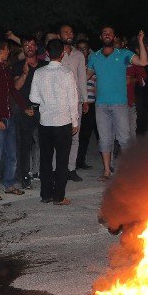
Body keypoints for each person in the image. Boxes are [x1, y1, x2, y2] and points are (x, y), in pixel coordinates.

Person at [86, 26, 148, 181]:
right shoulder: (94, 57)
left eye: (110, 33)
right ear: (101, 37)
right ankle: (107, 171)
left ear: (114, 38)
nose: (107, 35)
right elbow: (85, 77)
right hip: (101, 105)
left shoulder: (124, 54)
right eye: (104, 33)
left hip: (120, 104)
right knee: (105, 139)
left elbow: (143, 61)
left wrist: (140, 41)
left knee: (124, 138)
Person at [29, 39, 79, 204]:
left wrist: (46, 100)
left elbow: (33, 98)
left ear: (48, 53)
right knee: (62, 161)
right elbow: (73, 100)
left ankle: (45, 195)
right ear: (63, 54)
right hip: (63, 122)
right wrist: (75, 121)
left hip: (45, 122)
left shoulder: (39, 72)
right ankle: (59, 196)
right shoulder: (67, 73)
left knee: (45, 160)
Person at [0, 39, 31, 201]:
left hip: (8, 116)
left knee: (11, 155)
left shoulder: (3, 68)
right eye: (7, 49)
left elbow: (13, 91)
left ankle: (9, 185)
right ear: (0, 50)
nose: (8, 52)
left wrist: (24, 107)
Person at [10, 35, 43, 189]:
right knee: (25, 144)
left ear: (36, 47)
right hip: (25, 110)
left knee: (43, 143)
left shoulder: (45, 65)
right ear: (22, 48)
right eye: (26, 45)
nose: (29, 47)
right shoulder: (17, 65)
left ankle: (41, 172)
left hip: (43, 110)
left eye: (32, 44)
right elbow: (16, 88)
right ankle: (25, 176)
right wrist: (24, 73)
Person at [58, 25, 88, 183]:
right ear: (59, 35)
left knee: (75, 135)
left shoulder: (78, 55)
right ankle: (58, 169)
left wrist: (85, 99)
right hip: (59, 101)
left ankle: (71, 168)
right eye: (65, 32)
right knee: (59, 135)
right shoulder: (55, 53)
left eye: (71, 31)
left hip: (75, 100)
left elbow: (82, 77)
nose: (69, 34)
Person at [75, 39, 96, 169]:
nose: (83, 51)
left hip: (91, 102)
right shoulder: (75, 64)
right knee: (75, 134)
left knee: (86, 135)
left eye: (85, 48)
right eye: (80, 48)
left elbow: (96, 84)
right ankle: (73, 162)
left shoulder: (93, 65)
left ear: (89, 51)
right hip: (78, 103)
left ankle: (80, 161)